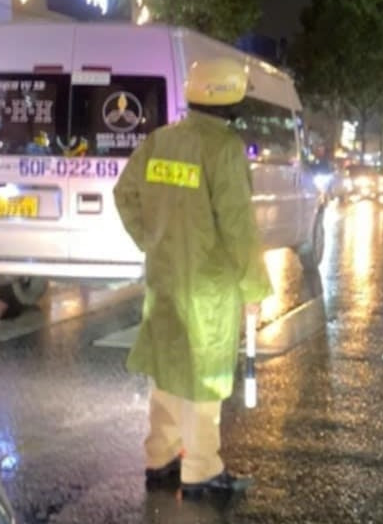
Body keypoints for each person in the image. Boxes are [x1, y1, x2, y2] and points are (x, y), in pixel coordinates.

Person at [113, 58, 272, 496]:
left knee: (167, 365)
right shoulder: (224, 148)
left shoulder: (160, 140)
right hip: (209, 286)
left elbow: (124, 193)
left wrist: (150, 238)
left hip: (165, 278)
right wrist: (254, 288)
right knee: (205, 373)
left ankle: (160, 456)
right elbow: (238, 227)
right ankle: (201, 468)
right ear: (229, 97)